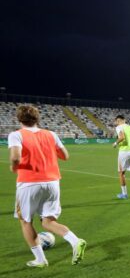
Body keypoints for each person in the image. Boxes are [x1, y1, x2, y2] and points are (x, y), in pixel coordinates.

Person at [8, 105, 86, 267]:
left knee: (25, 221)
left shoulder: (16, 135)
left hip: (29, 182)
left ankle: (41, 260)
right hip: (52, 182)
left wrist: (14, 167)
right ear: (38, 118)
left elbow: (15, 158)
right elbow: (65, 156)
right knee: (48, 221)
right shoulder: (51, 134)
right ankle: (75, 241)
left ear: (19, 119)